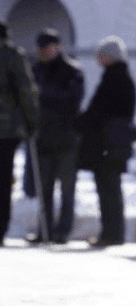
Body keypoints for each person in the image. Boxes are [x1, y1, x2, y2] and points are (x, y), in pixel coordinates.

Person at [76, 36, 136, 247]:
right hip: (115, 143)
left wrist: (80, 123)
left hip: (107, 143)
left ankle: (111, 233)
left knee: (108, 188)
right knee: (111, 188)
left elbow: (99, 111)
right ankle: (113, 232)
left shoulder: (113, 79)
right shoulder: (122, 77)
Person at [29, 29, 84, 244]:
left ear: (57, 47)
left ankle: (63, 230)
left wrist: (43, 94)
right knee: (45, 190)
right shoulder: (35, 70)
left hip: (66, 137)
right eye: (41, 48)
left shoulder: (71, 71)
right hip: (43, 137)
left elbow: (72, 100)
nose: (43, 52)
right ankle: (45, 230)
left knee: (67, 188)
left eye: (47, 48)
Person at [0, 21, 39, 244]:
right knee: (4, 179)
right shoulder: (12, 55)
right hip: (6, 128)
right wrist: (31, 122)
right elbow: (26, 90)